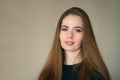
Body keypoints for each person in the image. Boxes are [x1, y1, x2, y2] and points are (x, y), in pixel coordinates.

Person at [39, 7, 111, 80]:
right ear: (59, 33)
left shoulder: (96, 76)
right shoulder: (47, 73)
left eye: (77, 30)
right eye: (65, 29)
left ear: (86, 35)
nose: (70, 35)